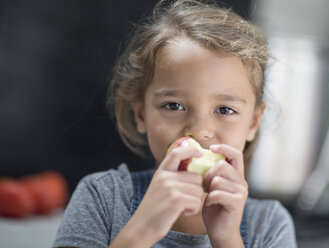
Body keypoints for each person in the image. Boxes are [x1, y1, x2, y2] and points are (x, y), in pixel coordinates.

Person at [53, 0, 297, 247]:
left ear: (253, 123)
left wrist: (227, 239)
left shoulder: (268, 225)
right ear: (141, 114)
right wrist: (144, 229)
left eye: (225, 109)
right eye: (173, 106)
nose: (200, 130)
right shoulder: (102, 197)